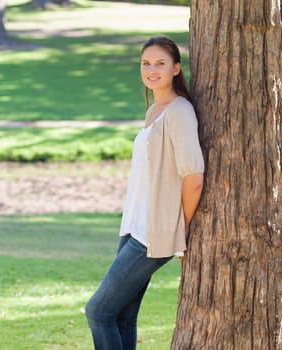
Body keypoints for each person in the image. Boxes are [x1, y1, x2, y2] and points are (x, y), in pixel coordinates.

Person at [85, 35, 205, 350]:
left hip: (153, 235)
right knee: (121, 315)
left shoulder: (179, 111)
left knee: (98, 311)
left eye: (160, 64)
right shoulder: (155, 110)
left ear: (176, 69)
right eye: (146, 63)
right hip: (133, 227)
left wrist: (182, 228)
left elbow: (194, 177)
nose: (152, 70)